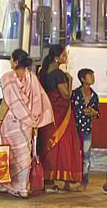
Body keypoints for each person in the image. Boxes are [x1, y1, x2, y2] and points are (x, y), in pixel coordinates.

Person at [0, 49, 54, 198]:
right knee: (24, 153)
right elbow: (38, 101)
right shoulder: (32, 78)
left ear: (16, 62)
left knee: (8, 153)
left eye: (12, 59)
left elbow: (6, 103)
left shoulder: (8, 78)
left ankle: (7, 184)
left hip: (10, 122)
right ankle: (21, 187)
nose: (11, 62)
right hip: (27, 123)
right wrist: (35, 123)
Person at [38, 45, 82, 193]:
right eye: (64, 55)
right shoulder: (58, 73)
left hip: (47, 113)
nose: (66, 58)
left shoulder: (43, 72)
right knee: (62, 145)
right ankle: (61, 180)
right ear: (57, 57)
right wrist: (69, 81)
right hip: (60, 115)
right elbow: (66, 95)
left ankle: (47, 180)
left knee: (47, 145)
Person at [71, 68, 99, 192]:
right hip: (74, 129)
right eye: (90, 76)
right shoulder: (75, 94)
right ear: (82, 79)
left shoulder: (94, 96)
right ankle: (73, 179)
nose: (93, 78)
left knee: (86, 157)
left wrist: (93, 112)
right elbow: (70, 111)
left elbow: (97, 114)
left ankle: (84, 181)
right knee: (74, 155)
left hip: (87, 129)